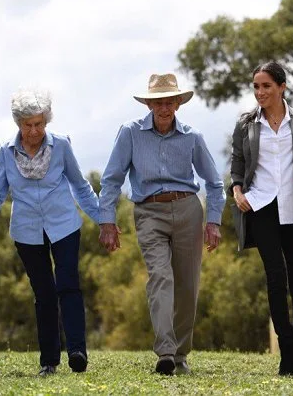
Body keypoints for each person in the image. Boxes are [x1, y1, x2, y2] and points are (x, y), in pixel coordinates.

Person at [99, 73, 226, 376]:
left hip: (188, 211)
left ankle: (180, 355)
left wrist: (213, 221)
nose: (164, 107)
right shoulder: (130, 133)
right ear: (148, 104)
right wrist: (106, 220)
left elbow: (215, 183)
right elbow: (112, 179)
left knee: (187, 286)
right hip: (149, 212)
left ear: (178, 104)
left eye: (169, 101)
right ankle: (165, 351)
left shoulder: (192, 137)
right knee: (160, 277)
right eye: (157, 102)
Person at [0, 88, 99, 376]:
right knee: (44, 294)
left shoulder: (62, 146)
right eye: (28, 125)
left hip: (64, 224)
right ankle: (49, 361)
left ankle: (77, 351)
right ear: (19, 124)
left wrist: (104, 220)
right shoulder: (6, 151)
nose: (34, 130)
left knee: (68, 285)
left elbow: (80, 185)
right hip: (27, 231)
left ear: (46, 121)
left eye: (39, 124)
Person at [230, 61, 293, 377]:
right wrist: (237, 189)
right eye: (256, 86)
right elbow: (238, 162)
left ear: (282, 87)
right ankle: (287, 352)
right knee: (275, 277)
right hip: (262, 207)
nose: (260, 92)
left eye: (266, 86)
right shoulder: (246, 124)